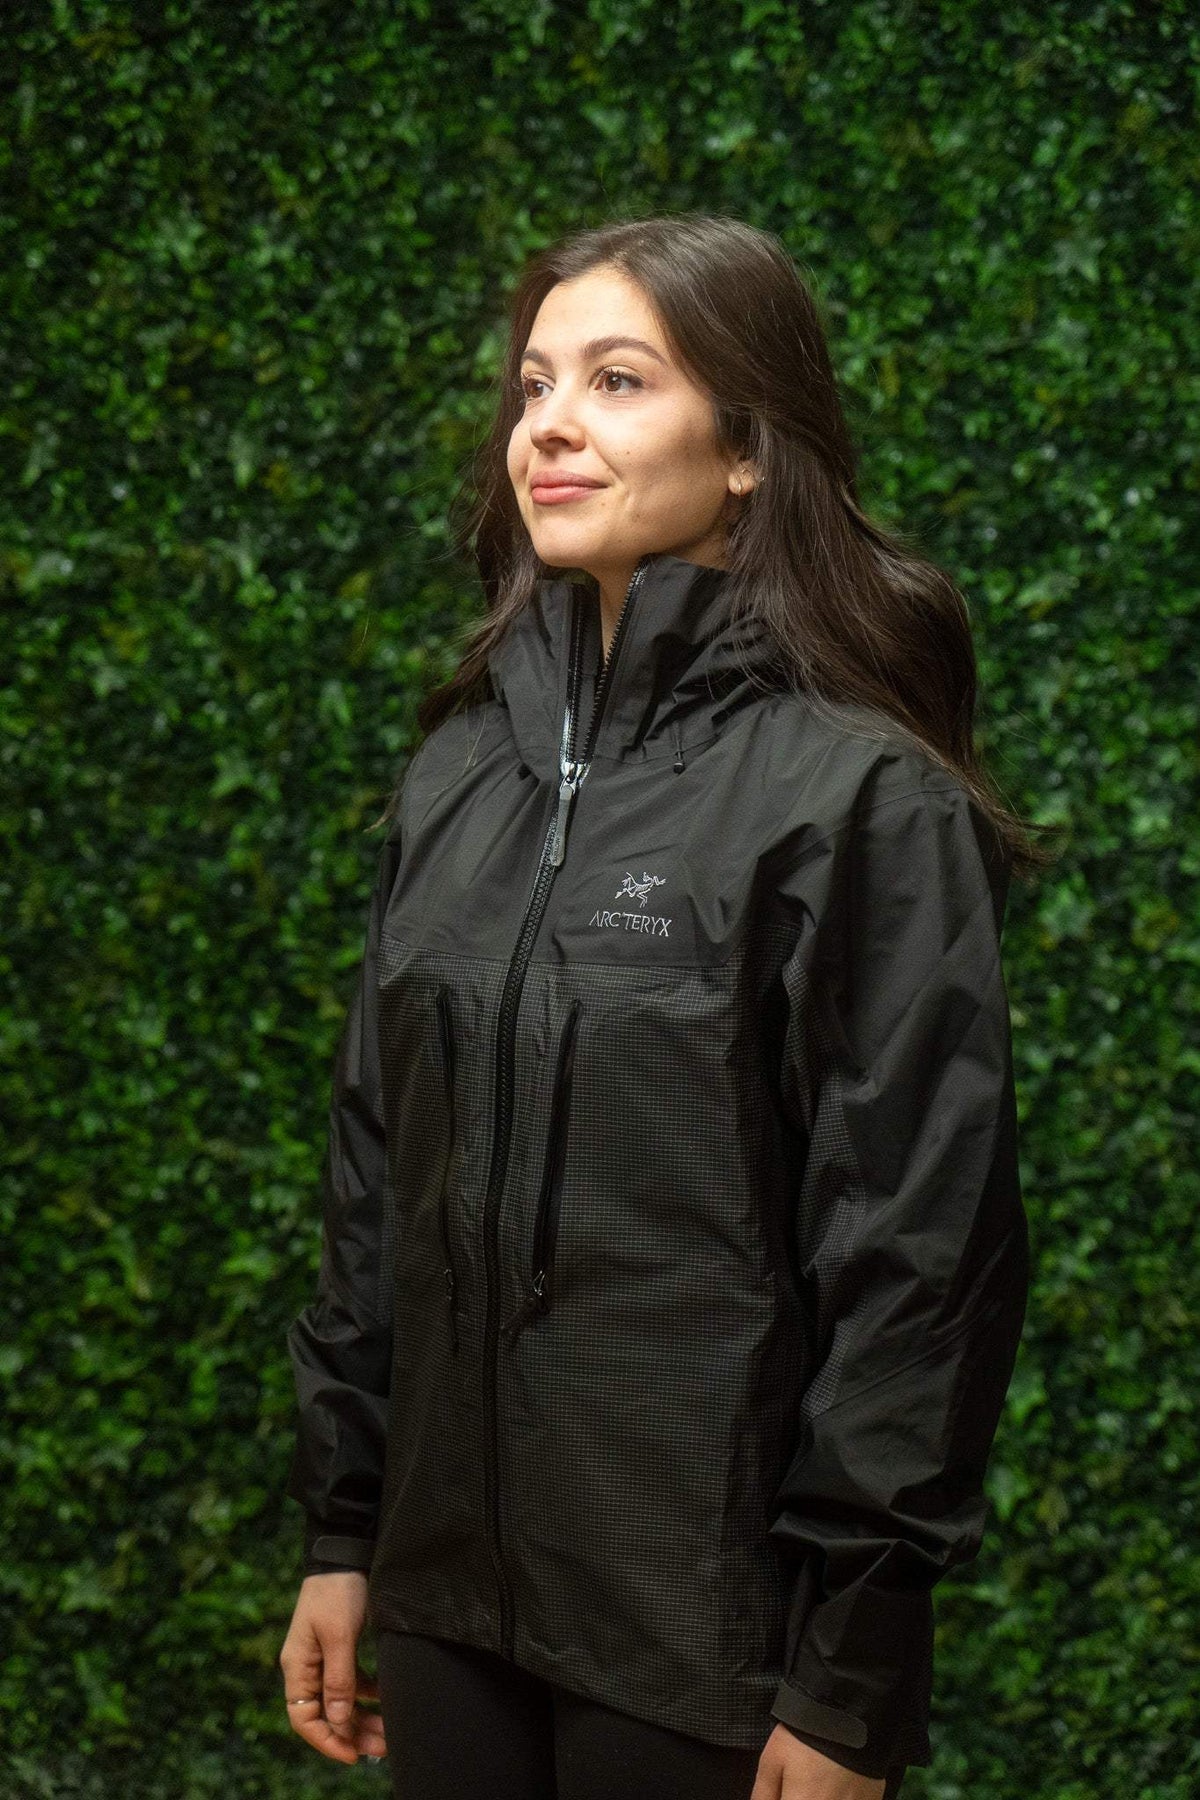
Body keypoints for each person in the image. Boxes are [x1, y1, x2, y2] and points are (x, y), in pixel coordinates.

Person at [278, 213, 1044, 1800]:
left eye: (618, 380)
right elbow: (378, 1175)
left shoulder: (855, 796)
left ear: (748, 448)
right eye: (535, 384)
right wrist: (345, 1530)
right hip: (445, 1598)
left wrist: (851, 1676)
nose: (548, 426)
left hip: (704, 1634)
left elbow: (920, 1254)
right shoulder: (461, 771)